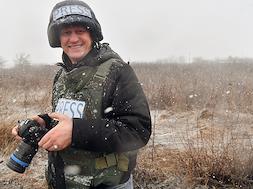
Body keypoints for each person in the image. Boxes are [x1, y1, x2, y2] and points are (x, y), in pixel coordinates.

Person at [12, 0, 151, 188]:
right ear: (58, 39)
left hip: (106, 183)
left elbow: (137, 130)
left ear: (92, 34)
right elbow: (69, 117)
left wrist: (75, 132)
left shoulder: (117, 72)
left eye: (80, 31)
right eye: (66, 33)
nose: (74, 39)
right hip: (62, 180)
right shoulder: (61, 75)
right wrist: (43, 121)